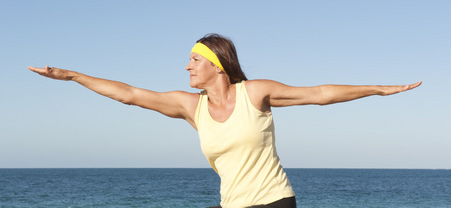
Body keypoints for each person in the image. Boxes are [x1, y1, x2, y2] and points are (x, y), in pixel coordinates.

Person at [28, 33, 421, 208]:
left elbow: (318, 95)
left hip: (272, 203)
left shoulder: (254, 93)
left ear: (216, 65)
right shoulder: (191, 107)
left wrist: (378, 88)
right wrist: (73, 76)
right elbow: (130, 95)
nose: (187, 66)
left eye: (194, 59)